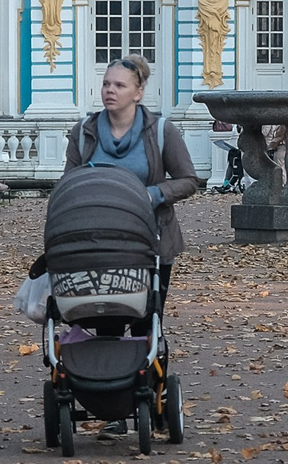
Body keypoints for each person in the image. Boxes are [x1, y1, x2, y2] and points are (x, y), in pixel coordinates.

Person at [63, 55, 199, 299]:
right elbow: (68, 186)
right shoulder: (83, 132)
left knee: (145, 324)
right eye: (106, 84)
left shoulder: (161, 131)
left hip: (149, 240)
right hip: (96, 240)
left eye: (119, 85)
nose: (110, 91)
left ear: (138, 93)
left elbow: (188, 180)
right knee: (105, 318)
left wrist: (152, 194)